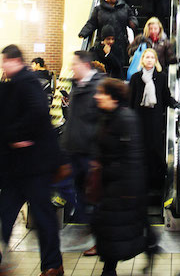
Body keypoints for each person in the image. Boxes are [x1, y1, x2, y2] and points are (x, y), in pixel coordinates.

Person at [0, 45, 63, 276]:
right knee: (8, 214)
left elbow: (38, 113)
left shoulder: (26, 82)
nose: (2, 66)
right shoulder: (14, 85)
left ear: (12, 60)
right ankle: (52, 264)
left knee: (42, 217)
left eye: (4, 61)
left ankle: (53, 265)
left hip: (34, 166)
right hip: (19, 168)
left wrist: (18, 137)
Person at [92, 78, 149, 276]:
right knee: (111, 229)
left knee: (114, 230)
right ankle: (110, 267)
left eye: (101, 93)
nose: (97, 96)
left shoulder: (126, 119)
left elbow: (133, 158)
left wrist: (129, 190)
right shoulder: (107, 116)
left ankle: (110, 269)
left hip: (120, 186)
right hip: (110, 184)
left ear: (113, 97)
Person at [61, 50, 103, 226]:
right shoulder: (76, 85)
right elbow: (73, 118)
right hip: (72, 149)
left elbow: (103, 122)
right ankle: (87, 222)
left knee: (93, 194)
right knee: (69, 189)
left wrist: (97, 155)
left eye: (74, 64)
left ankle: (96, 227)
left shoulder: (99, 86)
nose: (71, 68)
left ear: (85, 65)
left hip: (89, 153)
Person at [129, 48, 180, 188]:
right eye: (147, 57)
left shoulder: (161, 77)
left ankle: (157, 180)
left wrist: (175, 103)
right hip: (139, 118)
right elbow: (130, 99)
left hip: (155, 119)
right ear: (142, 60)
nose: (149, 59)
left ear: (156, 60)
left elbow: (165, 95)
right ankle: (141, 180)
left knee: (155, 148)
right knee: (141, 149)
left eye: (152, 57)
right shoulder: (135, 78)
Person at [79, 0, 138, 66]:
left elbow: (131, 17)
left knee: (118, 67)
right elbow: (92, 23)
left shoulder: (124, 7)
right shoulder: (98, 10)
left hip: (120, 44)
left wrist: (133, 23)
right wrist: (83, 33)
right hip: (104, 44)